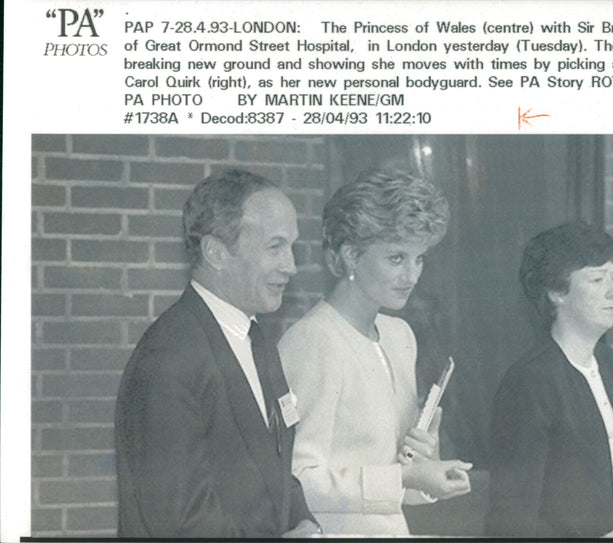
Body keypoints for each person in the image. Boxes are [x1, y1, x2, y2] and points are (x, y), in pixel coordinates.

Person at [115, 169, 319, 538]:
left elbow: (274, 467)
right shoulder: (168, 357)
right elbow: (180, 521)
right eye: (275, 247)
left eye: (292, 247)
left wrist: (305, 524)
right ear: (215, 252)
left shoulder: (256, 339)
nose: (291, 265)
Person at [278, 168, 472, 535]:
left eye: (420, 259)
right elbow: (298, 481)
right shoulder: (314, 340)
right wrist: (407, 476)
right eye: (397, 258)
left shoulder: (400, 336)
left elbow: (395, 485)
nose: (412, 276)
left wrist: (427, 467)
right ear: (351, 255)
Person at [486, 222, 613, 538]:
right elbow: (514, 513)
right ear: (556, 293)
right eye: (597, 279)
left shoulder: (610, 365)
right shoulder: (530, 381)